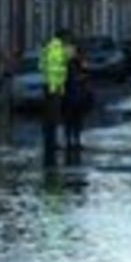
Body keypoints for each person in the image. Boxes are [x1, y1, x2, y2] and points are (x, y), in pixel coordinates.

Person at [40, 29, 72, 166]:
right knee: (52, 117)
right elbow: (56, 69)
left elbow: (43, 65)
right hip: (53, 87)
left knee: (52, 117)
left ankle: (51, 142)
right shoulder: (56, 49)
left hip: (50, 86)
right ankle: (50, 144)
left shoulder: (51, 47)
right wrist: (56, 87)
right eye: (67, 38)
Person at [62, 46, 91, 162]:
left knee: (76, 121)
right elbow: (72, 80)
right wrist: (81, 78)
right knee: (71, 120)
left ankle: (75, 141)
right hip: (71, 97)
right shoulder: (70, 65)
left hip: (76, 97)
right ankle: (71, 142)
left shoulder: (78, 64)